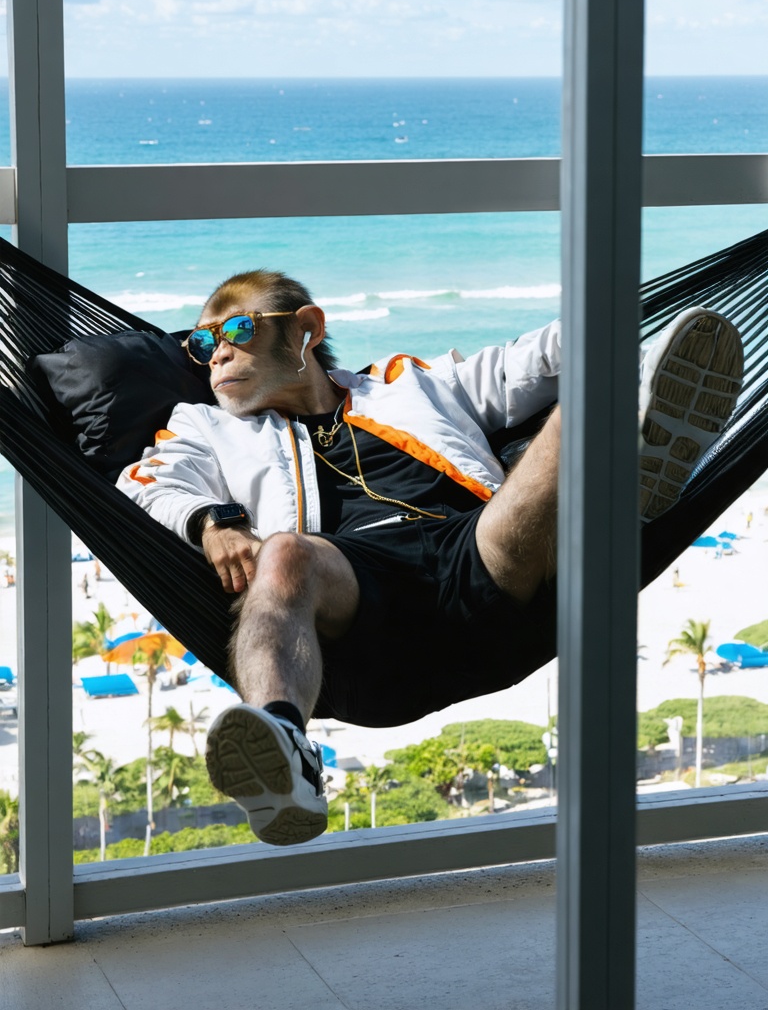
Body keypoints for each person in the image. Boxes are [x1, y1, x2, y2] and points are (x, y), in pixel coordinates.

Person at [118, 269, 744, 846]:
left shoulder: (407, 383)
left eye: (236, 330)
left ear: (306, 329)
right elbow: (147, 483)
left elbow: (525, 364)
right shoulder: (204, 426)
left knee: (572, 415)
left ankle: (628, 465)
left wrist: (622, 333)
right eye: (202, 344)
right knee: (285, 554)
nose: (216, 354)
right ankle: (287, 750)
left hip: (479, 556)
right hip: (361, 607)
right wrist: (212, 521)